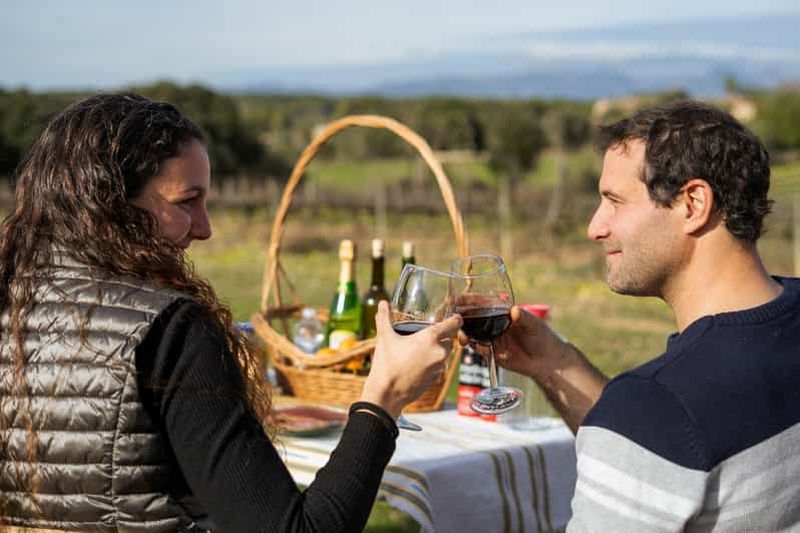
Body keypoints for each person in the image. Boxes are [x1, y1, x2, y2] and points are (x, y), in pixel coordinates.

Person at [0, 93, 462, 532]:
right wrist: (384, 396)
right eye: (186, 202)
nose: (205, 228)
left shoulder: (11, 297)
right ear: (110, 205)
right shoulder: (169, 331)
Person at [479, 100, 800, 531]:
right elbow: (662, 445)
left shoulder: (659, 405)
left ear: (693, 204)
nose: (595, 227)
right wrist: (556, 364)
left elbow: (659, 428)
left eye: (614, 201)